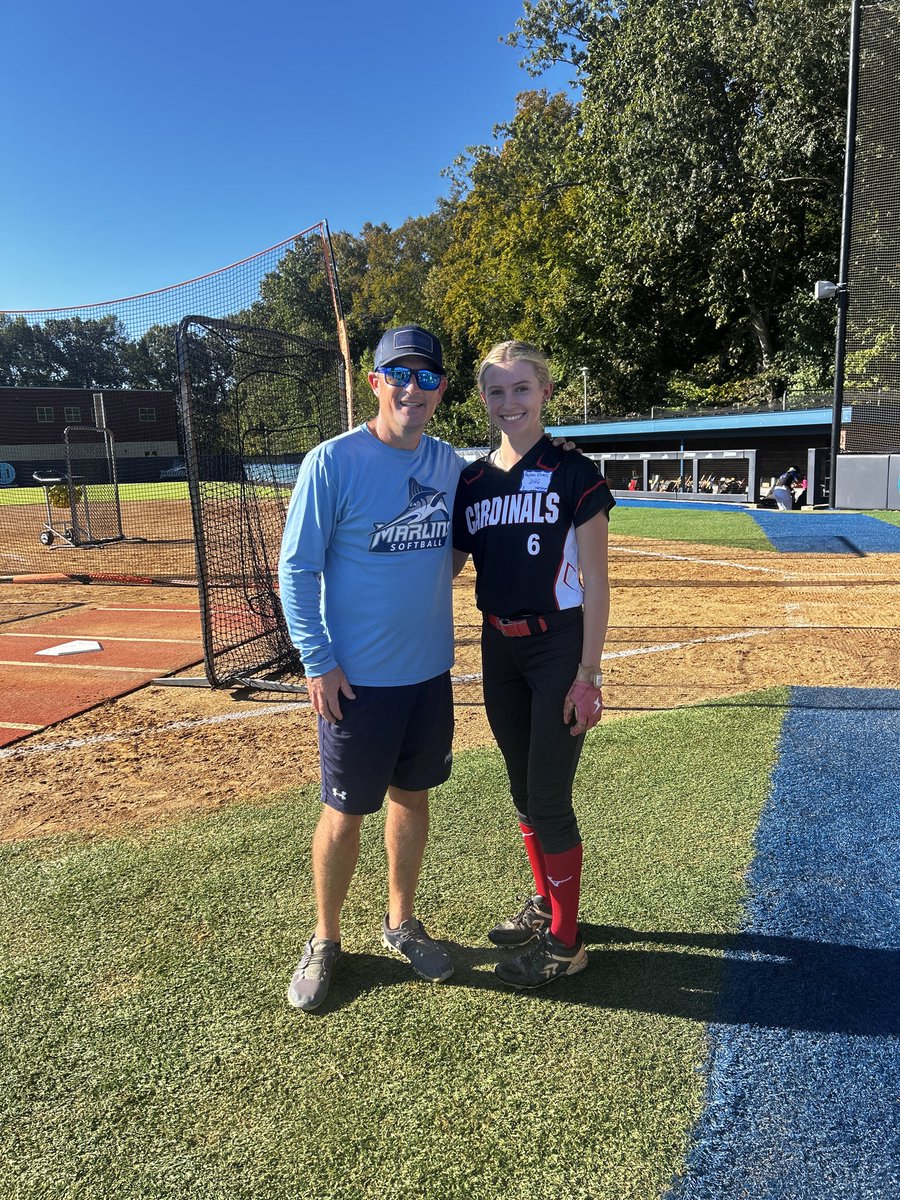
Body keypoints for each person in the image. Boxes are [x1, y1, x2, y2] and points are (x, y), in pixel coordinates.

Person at [278, 324, 462, 1012]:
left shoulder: (448, 463)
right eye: (401, 375)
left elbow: (455, 545)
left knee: (411, 799)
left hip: (428, 677)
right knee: (344, 812)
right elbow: (296, 569)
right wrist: (317, 661)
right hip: (356, 683)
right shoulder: (332, 462)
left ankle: (400, 922)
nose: (415, 388)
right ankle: (326, 940)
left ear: (442, 389)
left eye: (429, 377)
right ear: (377, 381)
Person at [452, 341, 615, 989]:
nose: (508, 402)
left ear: (544, 393)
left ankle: (566, 944)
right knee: (522, 792)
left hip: (557, 648)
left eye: (521, 388)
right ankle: (548, 906)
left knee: (548, 798)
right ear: (484, 400)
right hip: (501, 647)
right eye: (496, 391)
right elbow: (450, 567)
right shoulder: (473, 480)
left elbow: (598, 583)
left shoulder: (575, 471)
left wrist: (588, 674)